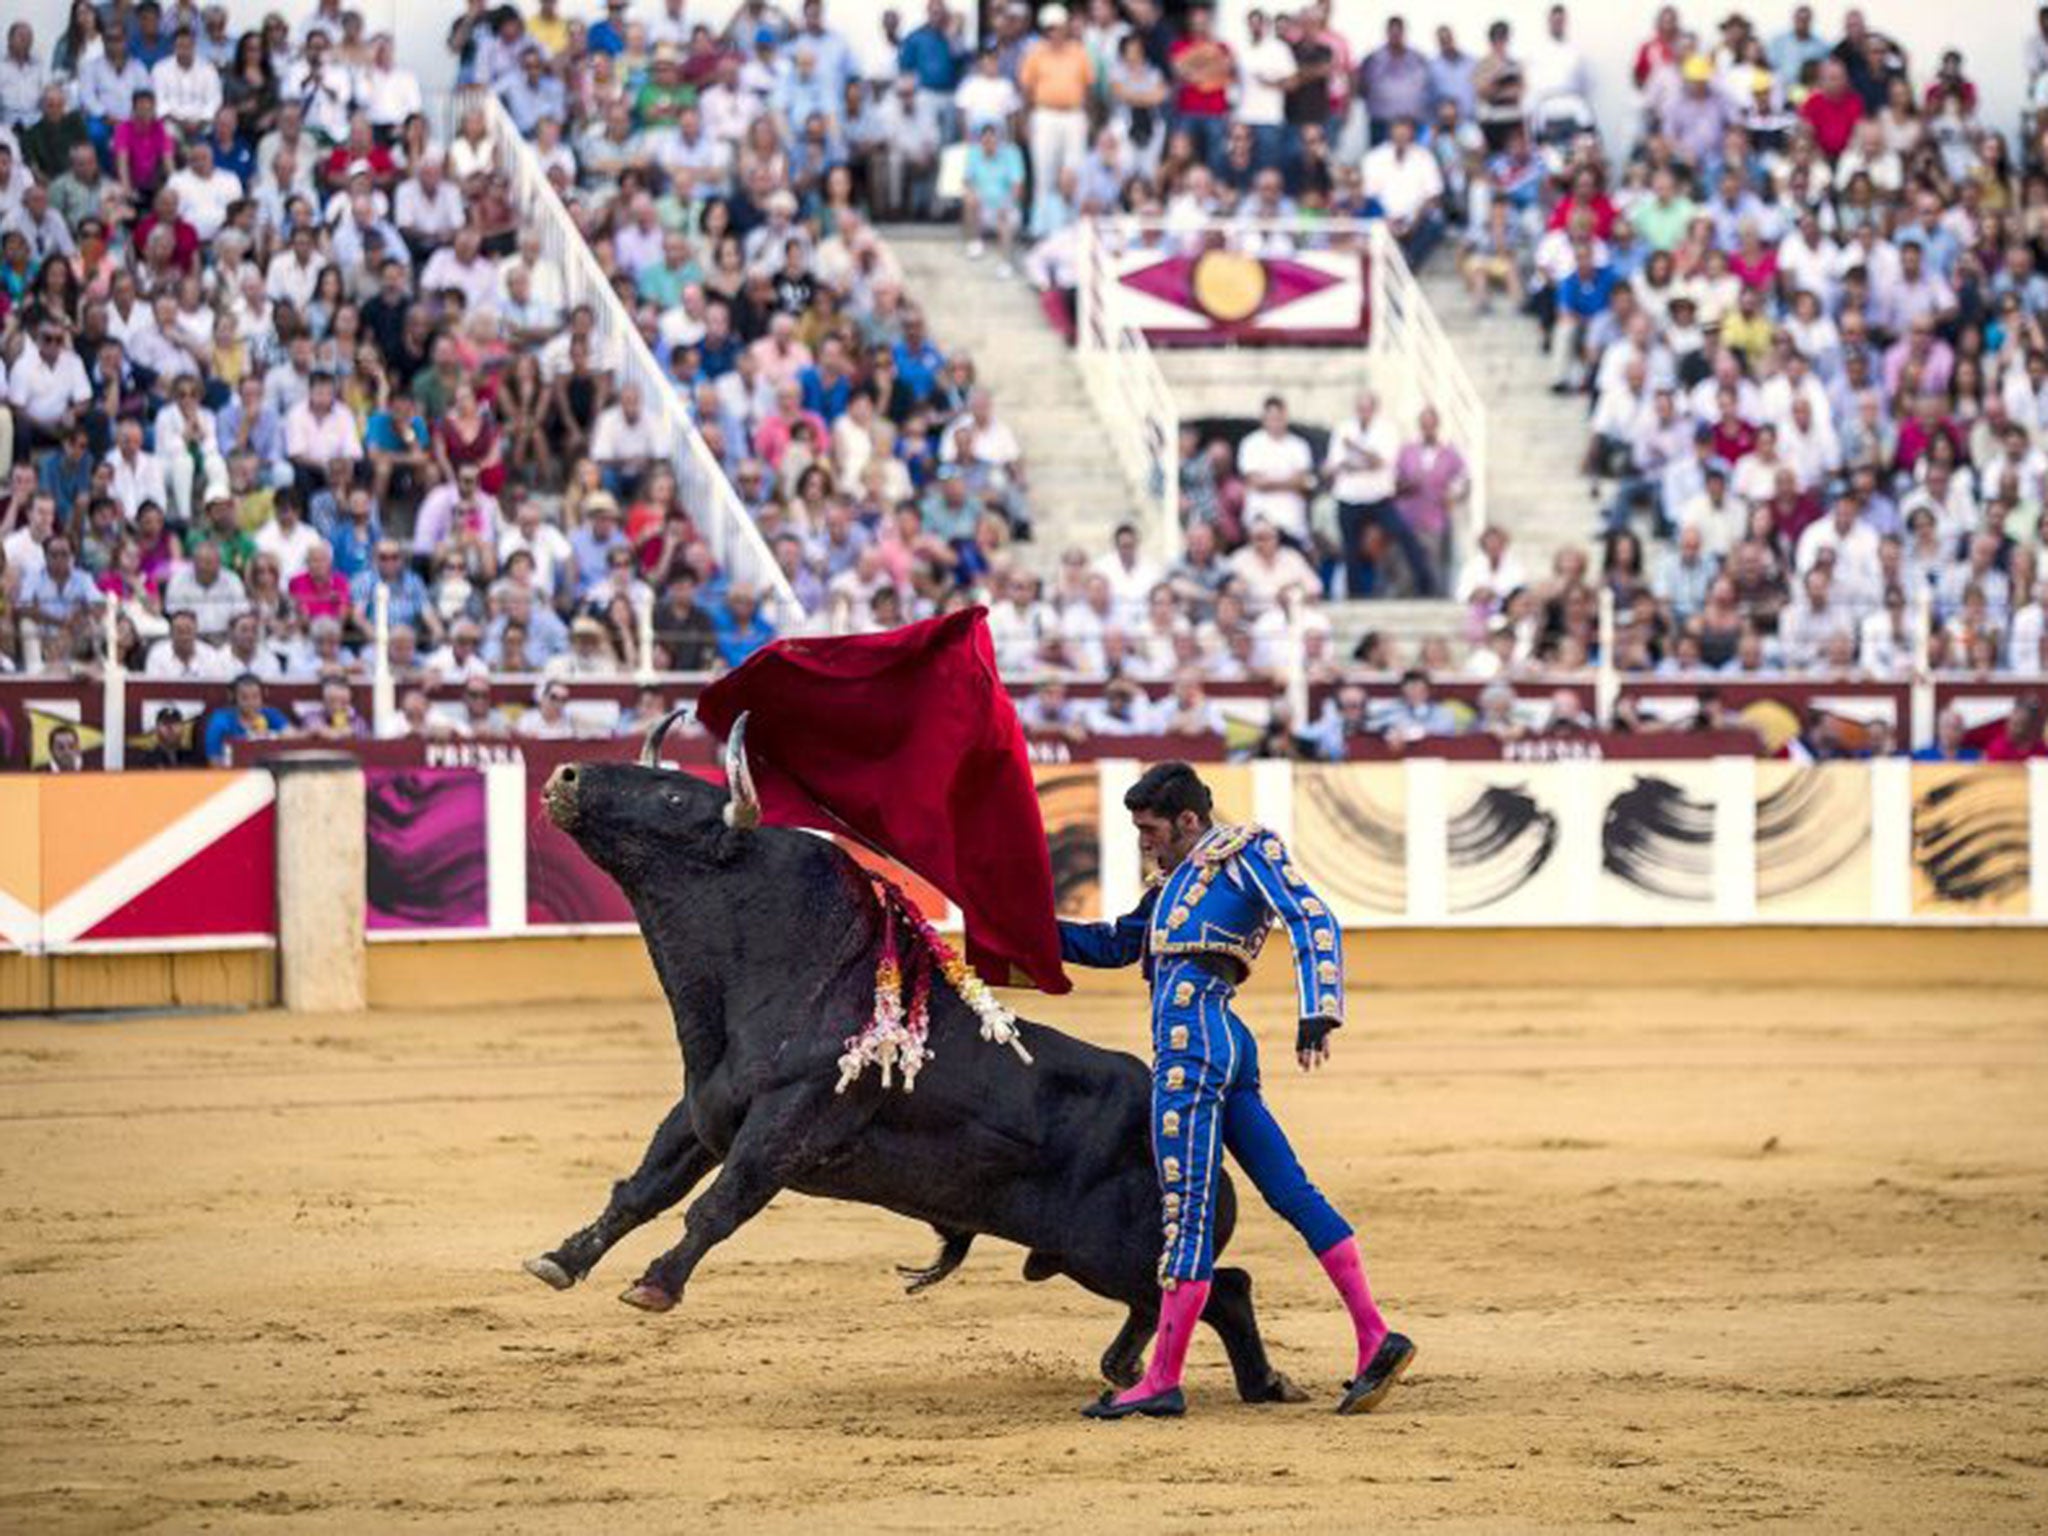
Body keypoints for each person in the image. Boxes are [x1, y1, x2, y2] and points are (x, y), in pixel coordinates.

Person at [1058, 762, 1414, 1419]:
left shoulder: (1243, 850)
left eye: (1152, 828)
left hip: (1194, 1046)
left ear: (1190, 821)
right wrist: (1014, 934)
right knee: (1290, 1190)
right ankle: (1374, 1336)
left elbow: (1312, 918)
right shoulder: (1171, 885)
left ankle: (1162, 1379)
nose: (1143, 841)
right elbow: (1111, 946)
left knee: (1186, 1207)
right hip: (1224, 1040)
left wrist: (1320, 1010)